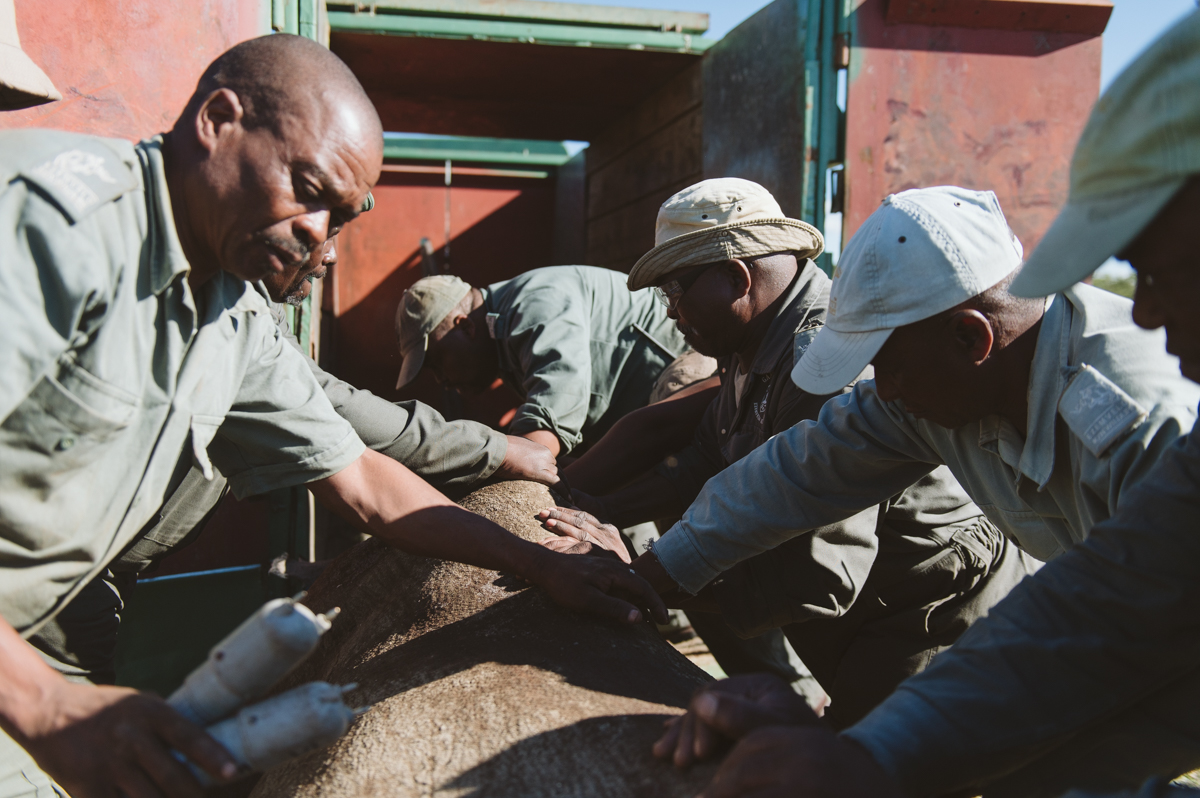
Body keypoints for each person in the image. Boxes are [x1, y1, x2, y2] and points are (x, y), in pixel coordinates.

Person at [0, 35, 664, 798]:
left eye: (342, 217)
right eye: (309, 188)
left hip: (51, 628)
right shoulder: (52, 226)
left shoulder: (234, 313)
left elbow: (365, 481)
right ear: (220, 119)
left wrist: (541, 564)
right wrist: (43, 704)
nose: (321, 233)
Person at [647, 13, 1200, 796]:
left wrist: (872, 752)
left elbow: (1130, 611)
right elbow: (803, 468)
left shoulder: (1144, 419)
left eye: (1176, 272)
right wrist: (664, 569)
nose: (1147, 311)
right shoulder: (929, 385)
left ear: (972, 339)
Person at [542, 178, 1034, 727]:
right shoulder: (748, 345)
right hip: (875, 621)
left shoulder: (825, 357)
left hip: (924, 614)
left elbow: (817, 574)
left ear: (736, 276)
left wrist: (639, 576)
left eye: (675, 293)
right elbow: (707, 460)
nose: (674, 314)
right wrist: (598, 513)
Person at [26, 234, 564, 690]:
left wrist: (532, 552)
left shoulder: (248, 323)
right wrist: (495, 449)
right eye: (321, 225)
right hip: (52, 578)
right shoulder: (218, 314)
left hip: (94, 580)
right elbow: (348, 432)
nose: (331, 254)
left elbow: (359, 473)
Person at [394, 265, 710, 457]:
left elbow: (546, 434)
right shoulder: (502, 339)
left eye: (435, 363)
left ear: (465, 326)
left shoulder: (533, 302)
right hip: (639, 421)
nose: (441, 380)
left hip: (700, 375)